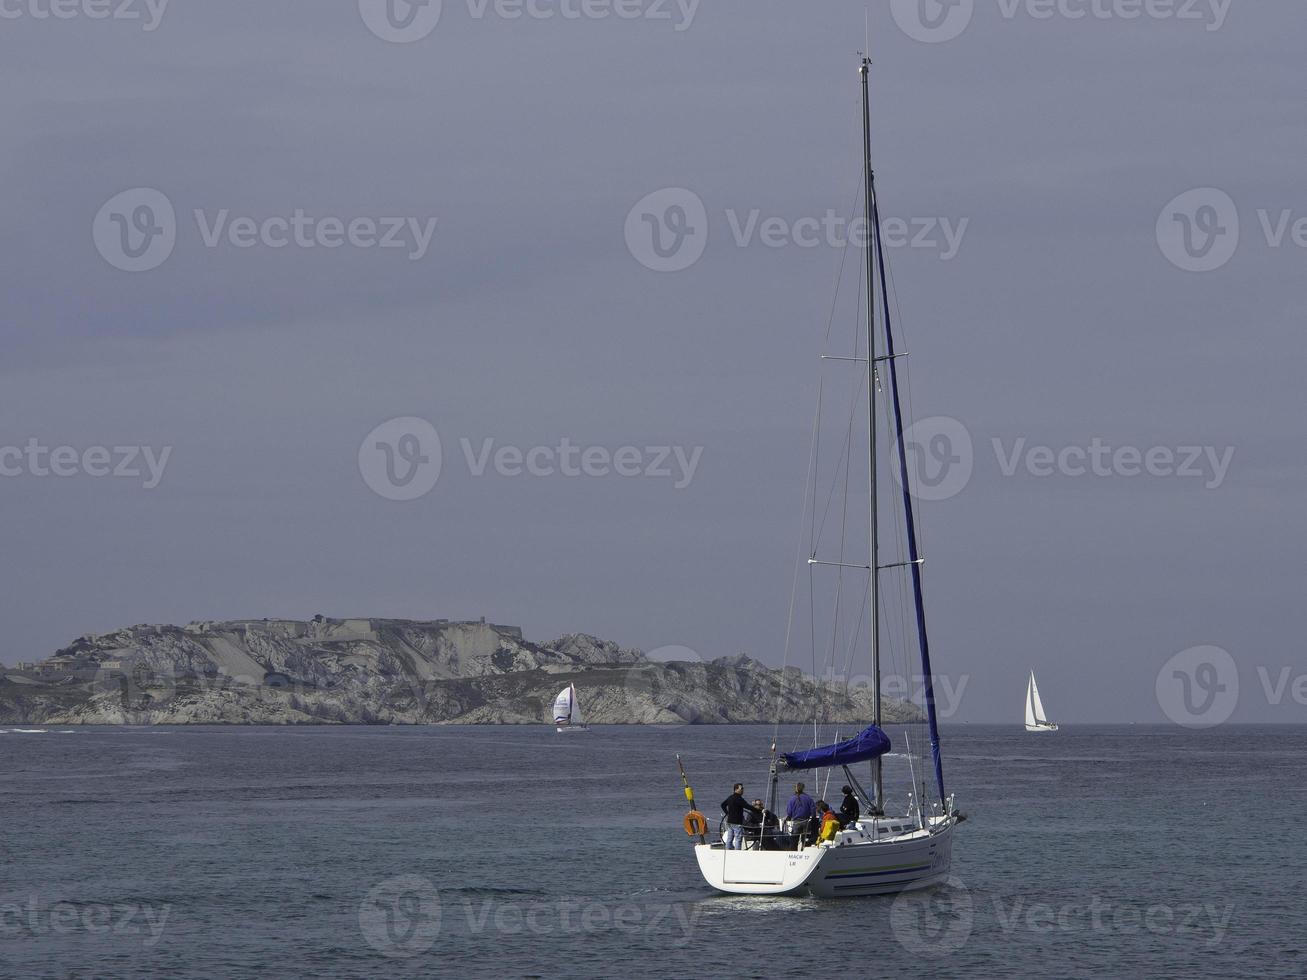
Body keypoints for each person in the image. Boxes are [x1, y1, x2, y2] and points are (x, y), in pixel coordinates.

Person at [720, 783, 761, 851]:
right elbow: (747, 806)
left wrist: (727, 814)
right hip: (737, 823)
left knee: (730, 838)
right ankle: (737, 853)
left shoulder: (730, 797)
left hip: (730, 821)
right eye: (741, 789)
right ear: (736, 789)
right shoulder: (739, 799)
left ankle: (728, 851)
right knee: (738, 839)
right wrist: (758, 810)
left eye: (743, 788)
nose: (743, 790)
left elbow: (723, 805)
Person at [785, 782, 817, 848]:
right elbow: (813, 810)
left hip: (796, 821)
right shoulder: (808, 798)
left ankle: (793, 853)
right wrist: (812, 817)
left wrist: (789, 818)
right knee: (805, 840)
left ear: (795, 788)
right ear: (803, 788)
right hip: (806, 821)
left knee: (794, 840)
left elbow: (789, 812)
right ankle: (804, 851)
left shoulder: (792, 799)